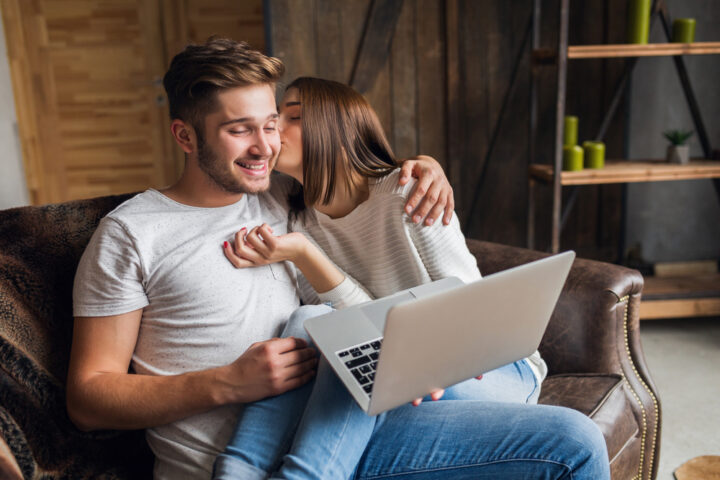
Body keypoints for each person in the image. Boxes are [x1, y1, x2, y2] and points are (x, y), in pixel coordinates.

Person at [66, 37, 457, 480]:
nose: (264, 147)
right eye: (239, 130)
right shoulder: (132, 234)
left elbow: (358, 172)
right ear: (185, 136)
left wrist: (423, 168)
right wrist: (226, 383)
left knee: (555, 436)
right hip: (228, 466)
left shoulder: (285, 193)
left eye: (270, 125)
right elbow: (87, 400)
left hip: (349, 442)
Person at [211, 77, 611, 479]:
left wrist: (418, 360)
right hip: (390, 371)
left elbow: (479, 320)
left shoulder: (410, 194)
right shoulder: (294, 220)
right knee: (307, 324)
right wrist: (305, 252)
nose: (273, 130)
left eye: (292, 117)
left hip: (486, 368)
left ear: (337, 128)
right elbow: (355, 329)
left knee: (352, 346)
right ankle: (237, 471)